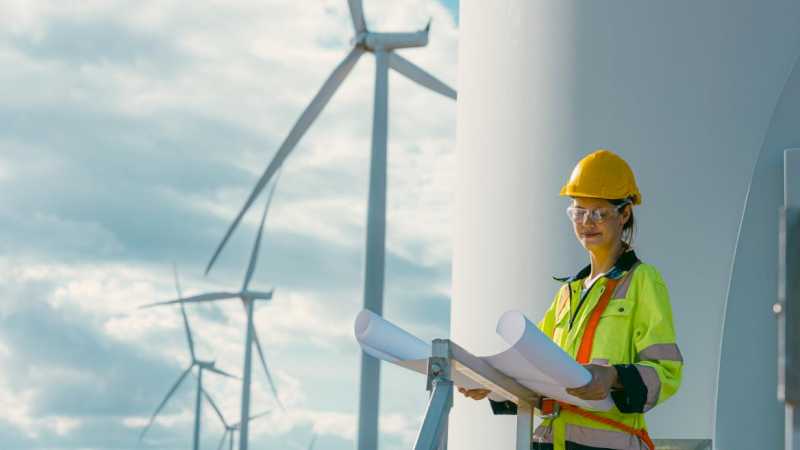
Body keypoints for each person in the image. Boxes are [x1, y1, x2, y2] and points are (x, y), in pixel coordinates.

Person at [459, 149, 683, 450]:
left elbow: (666, 372)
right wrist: (490, 385)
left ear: (625, 213)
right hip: (550, 442)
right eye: (579, 212)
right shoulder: (568, 293)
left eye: (598, 213)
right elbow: (533, 369)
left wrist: (613, 375)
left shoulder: (642, 280)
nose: (587, 222)